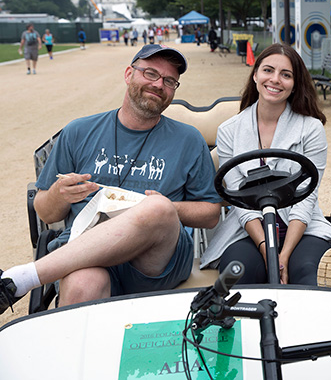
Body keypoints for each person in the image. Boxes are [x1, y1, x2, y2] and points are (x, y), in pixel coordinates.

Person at [0, 44, 222, 314]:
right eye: (150, 73)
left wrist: (165, 210)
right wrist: (59, 193)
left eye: (169, 81)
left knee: (157, 207)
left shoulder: (188, 139)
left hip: (154, 263)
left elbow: (211, 213)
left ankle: (22, 278)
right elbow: (45, 210)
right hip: (85, 253)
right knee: (83, 282)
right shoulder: (79, 132)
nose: (159, 85)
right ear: (129, 74)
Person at [200, 43, 331, 286]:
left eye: (286, 75)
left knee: (308, 273)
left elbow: (306, 197)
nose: (275, 80)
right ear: (255, 74)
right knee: (238, 275)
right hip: (248, 229)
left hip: (301, 227)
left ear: (295, 84)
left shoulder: (310, 129)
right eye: (268, 70)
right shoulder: (228, 131)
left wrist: (284, 254)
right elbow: (239, 200)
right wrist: (267, 249)